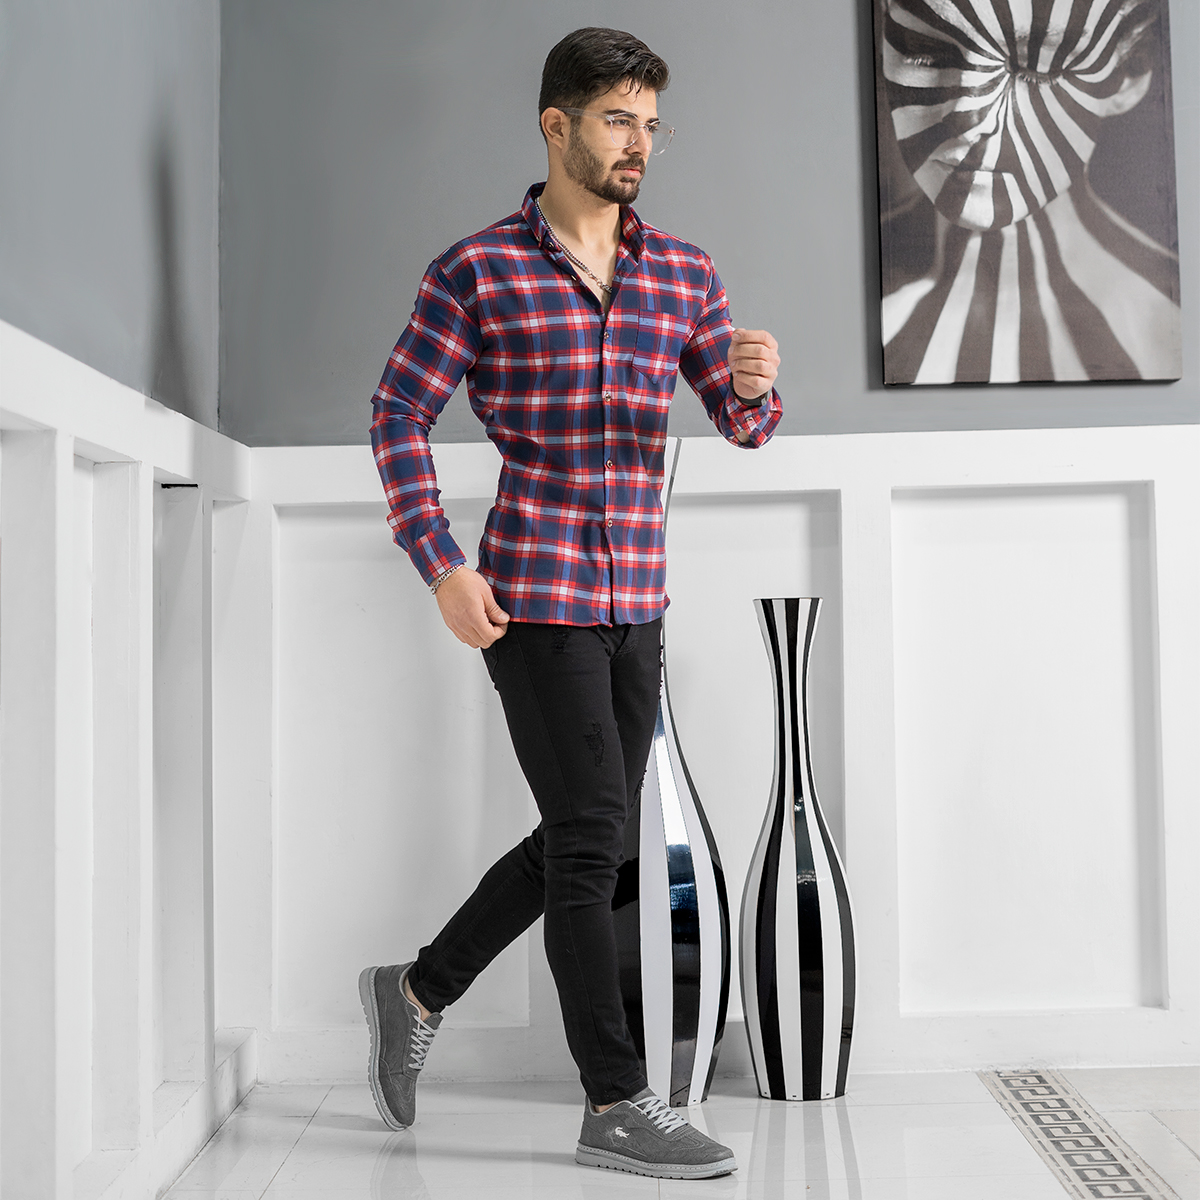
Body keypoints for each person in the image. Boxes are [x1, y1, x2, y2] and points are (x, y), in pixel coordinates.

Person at [360, 27, 782, 1180]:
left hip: (637, 596)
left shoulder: (684, 273)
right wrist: (440, 562)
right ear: (556, 126)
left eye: (650, 124)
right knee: (595, 838)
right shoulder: (476, 271)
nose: (639, 143)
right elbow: (397, 415)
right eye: (616, 121)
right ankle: (616, 1102)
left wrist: (755, 385)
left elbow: (739, 424)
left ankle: (417, 989)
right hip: (534, 595)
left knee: (581, 836)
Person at [877, 0, 1180, 383]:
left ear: (1129, 74)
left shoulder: (1172, 320)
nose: (970, 121)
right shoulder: (834, 297)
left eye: (1038, 69)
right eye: (926, 55)